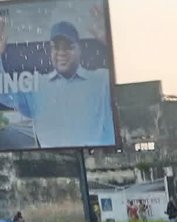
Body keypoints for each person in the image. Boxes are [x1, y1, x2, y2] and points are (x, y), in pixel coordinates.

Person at [0, 15, 114, 149]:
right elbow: (5, 93)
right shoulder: (37, 85)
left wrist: (109, 42)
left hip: (100, 156)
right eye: (56, 47)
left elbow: (123, 75)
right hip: (53, 159)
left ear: (79, 49)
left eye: (68, 47)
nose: (61, 53)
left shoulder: (101, 79)